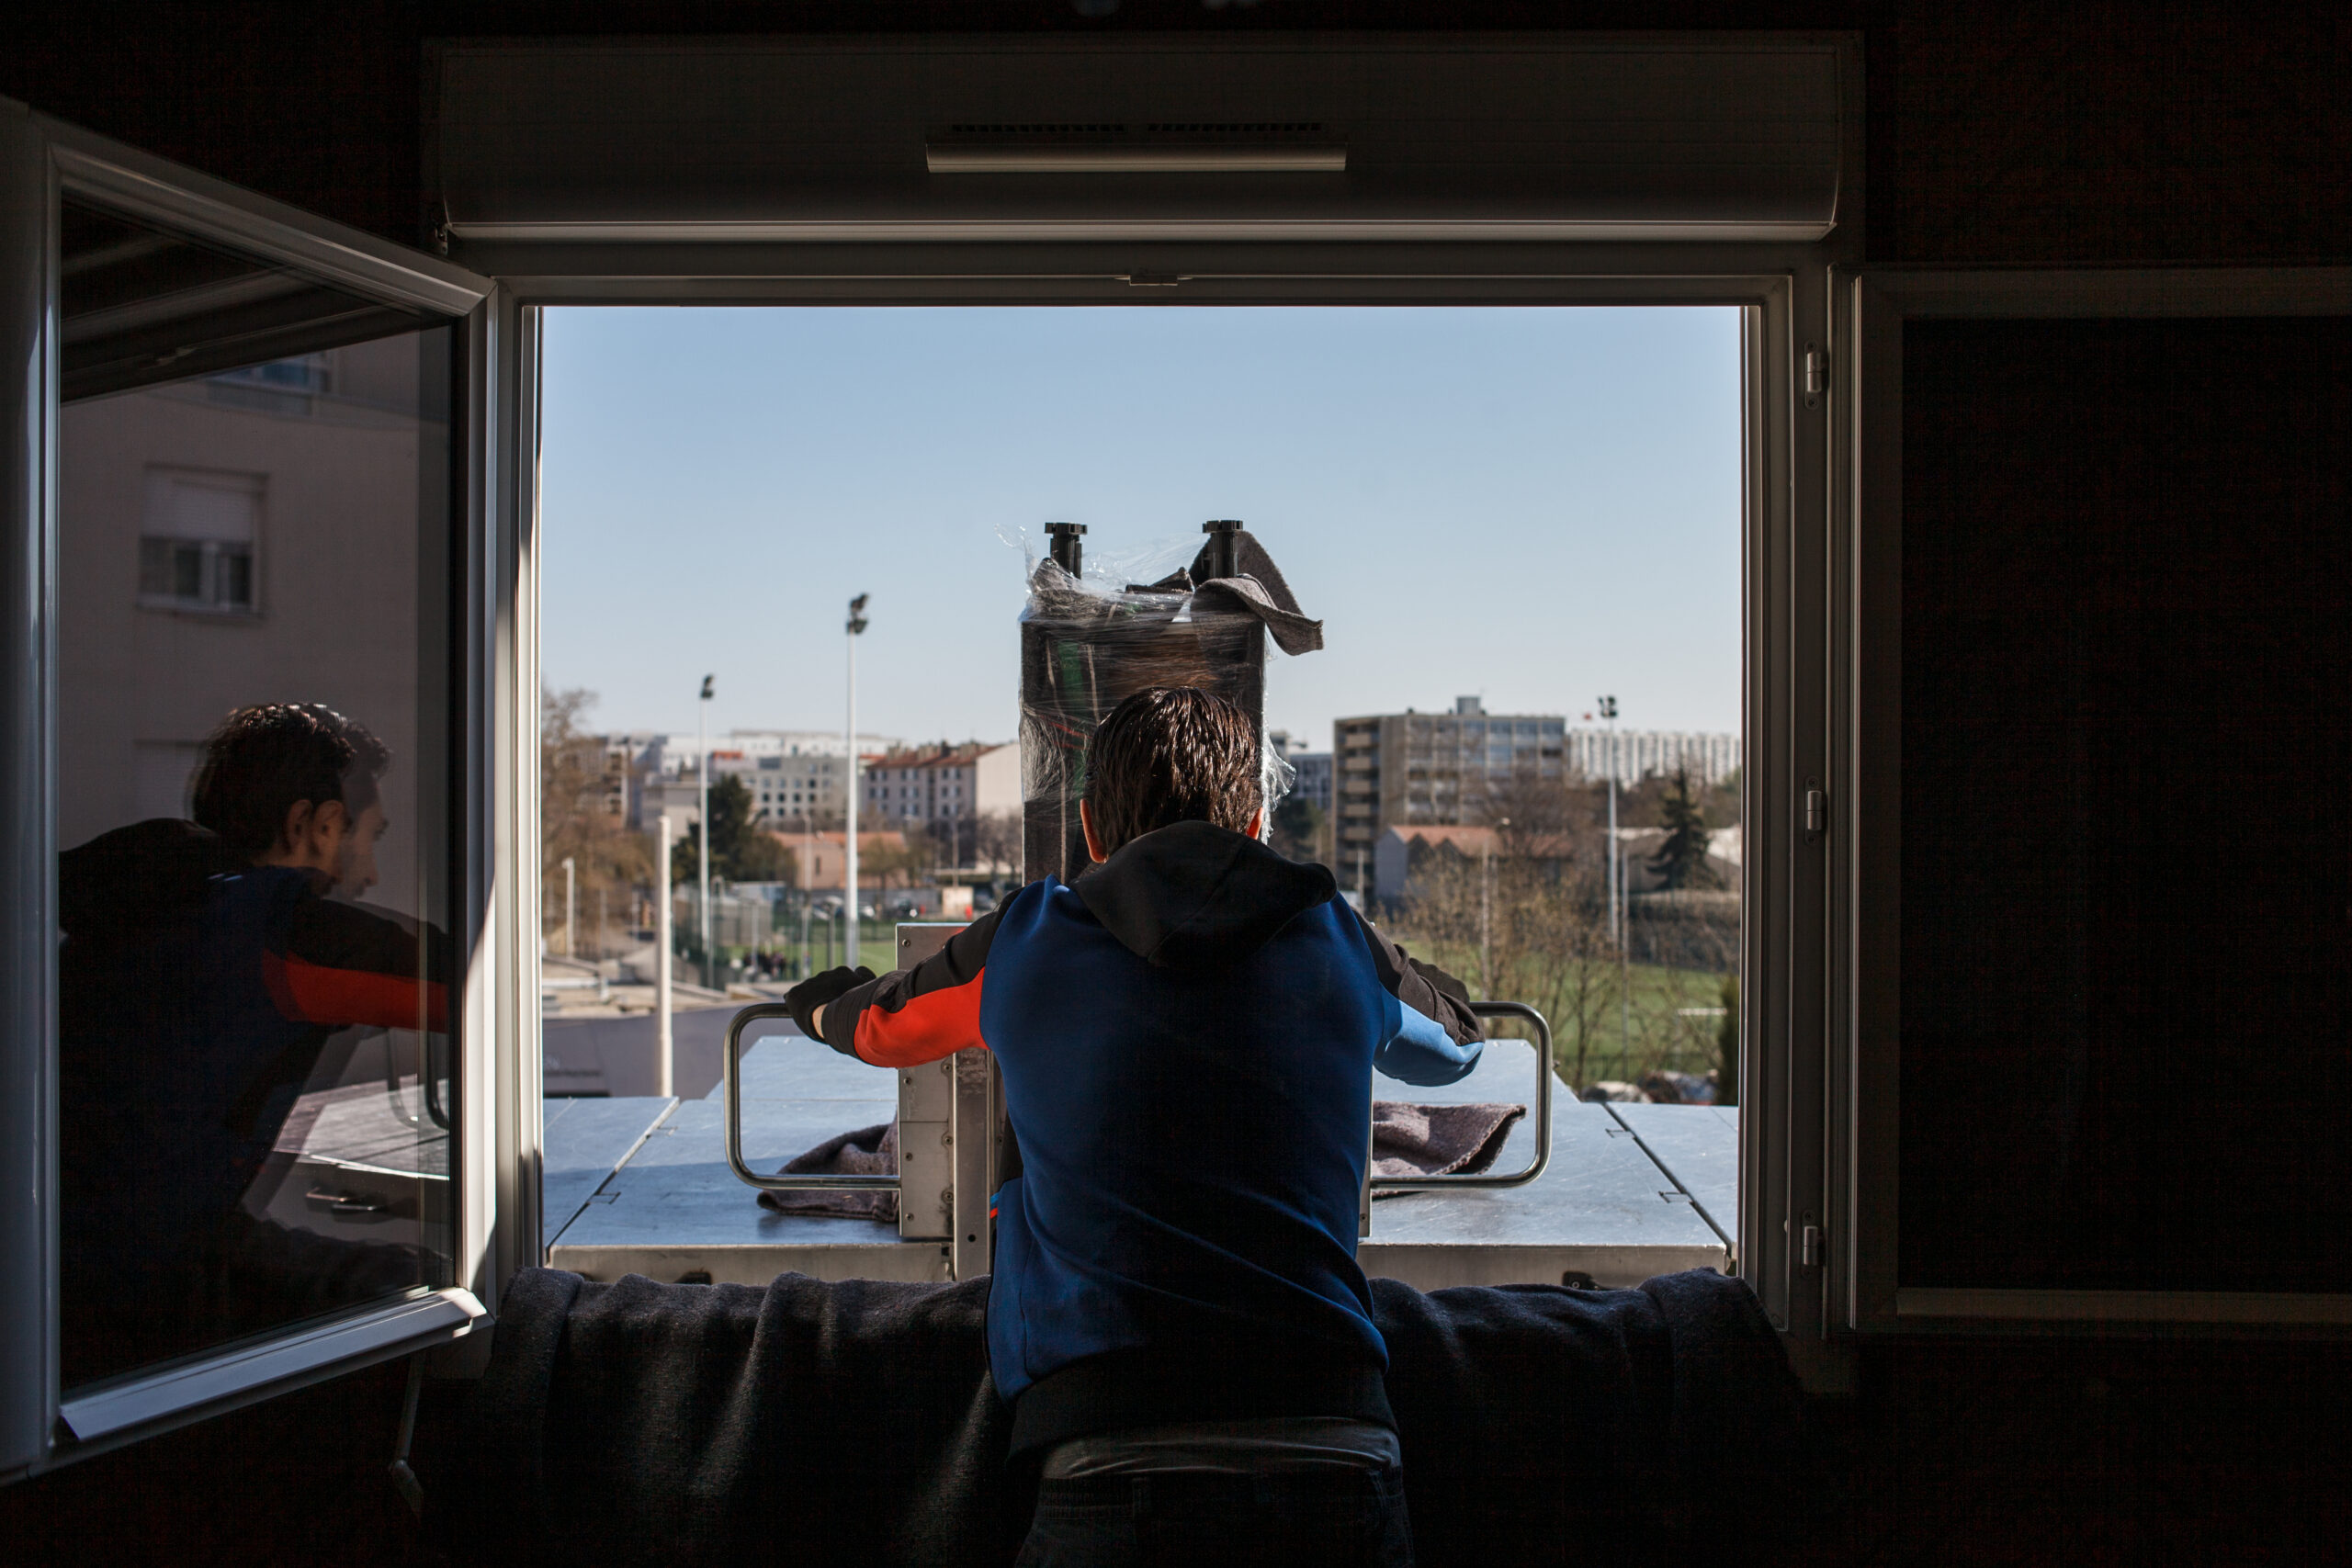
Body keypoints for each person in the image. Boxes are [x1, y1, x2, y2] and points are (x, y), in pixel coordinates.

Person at [785, 687, 1484, 1567]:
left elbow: (881, 1025)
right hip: (1336, 1442)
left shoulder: (1029, 939)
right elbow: (1456, 1045)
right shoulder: (1335, 934)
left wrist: (819, 1007)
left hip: (1105, 1450)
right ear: (1259, 817)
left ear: (1087, 826)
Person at [58, 703, 447, 1385]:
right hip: (136, 1309)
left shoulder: (153, 906)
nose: (372, 874)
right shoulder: (271, 939)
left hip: (89, 1276)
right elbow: (477, 992)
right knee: (446, 1289)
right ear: (310, 826)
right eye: (367, 836)